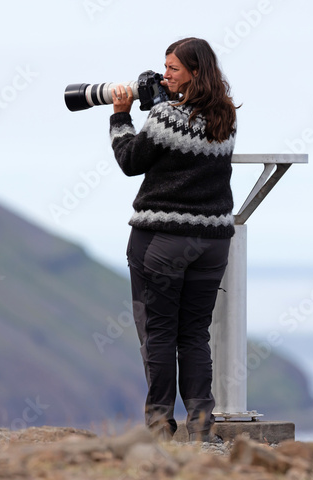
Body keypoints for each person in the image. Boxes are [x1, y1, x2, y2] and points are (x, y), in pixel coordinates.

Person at [109, 37, 239, 442]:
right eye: (164, 68)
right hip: (212, 242)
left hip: (162, 240)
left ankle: (159, 431)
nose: (165, 75)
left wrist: (120, 115)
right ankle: (202, 430)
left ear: (195, 72)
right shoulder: (226, 118)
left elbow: (131, 161)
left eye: (173, 69)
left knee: (159, 334)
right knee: (194, 335)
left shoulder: (166, 117)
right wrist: (161, 102)